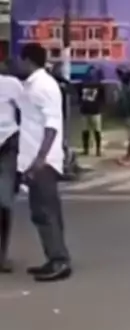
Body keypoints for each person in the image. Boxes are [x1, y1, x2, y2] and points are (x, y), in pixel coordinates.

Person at [18, 43, 71, 282]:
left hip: (44, 162)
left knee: (47, 212)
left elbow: (52, 125)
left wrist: (41, 158)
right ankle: (53, 257)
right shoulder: (31, 85)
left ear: (27, 60)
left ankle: (60, 260)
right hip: (33, 159)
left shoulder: (44, 86)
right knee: (40, 213)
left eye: (19, 60)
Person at [0, 61, 23, 272]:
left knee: (4, 201)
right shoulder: (12, 83)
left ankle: (2, 256)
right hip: (9, 142)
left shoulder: (11, 84)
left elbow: (26, 111)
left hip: (7, 144)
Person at [78, 66, 105, 157]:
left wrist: (98, 107)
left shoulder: (99, 86)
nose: (91, 75)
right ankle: (86, 149)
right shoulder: (82, 84)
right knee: (85, 131)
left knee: (97, 131)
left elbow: (102, 99)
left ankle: (98, 149)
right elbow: (79, 96)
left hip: (95, 111)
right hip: (85, 110)